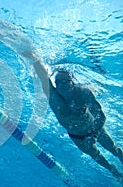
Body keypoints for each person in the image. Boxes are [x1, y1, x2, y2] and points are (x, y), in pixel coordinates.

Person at [22, 52, 123, 181]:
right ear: (55, 85)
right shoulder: (53, 97)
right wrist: (32, 57)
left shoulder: (83, 93)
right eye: (59, 82)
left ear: (72, 82)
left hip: (95, 129)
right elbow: (42, 75)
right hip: (78, 137)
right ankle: (115, 172)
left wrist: (94, 135)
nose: (63, 85)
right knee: (97, 157)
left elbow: (100, 116)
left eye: (66, 81)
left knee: (114, 149)